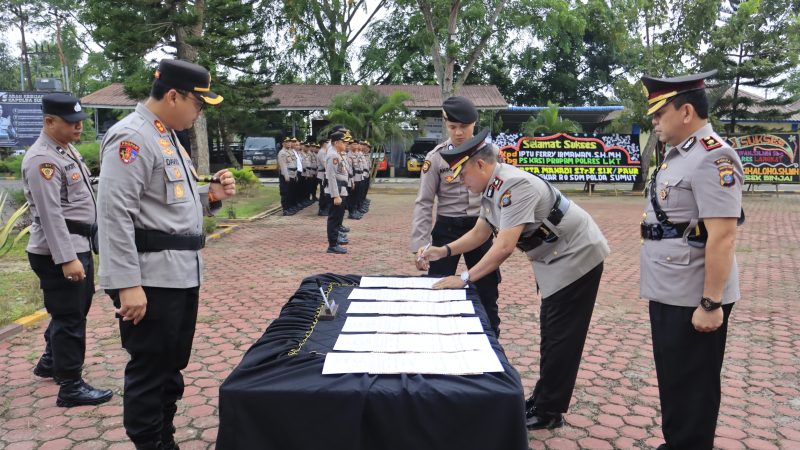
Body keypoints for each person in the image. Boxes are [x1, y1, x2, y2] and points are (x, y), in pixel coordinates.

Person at [419, 128, 610, 430]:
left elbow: (504, 246)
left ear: (480, 165)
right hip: (554, 258)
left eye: (463, 175)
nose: (461, 182)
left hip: (576, 257)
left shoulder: (513, 185)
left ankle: (549, 411)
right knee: (552, 332)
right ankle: (543, 400)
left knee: (561, 337)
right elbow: (480, 232)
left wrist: (464, 277)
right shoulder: (492, 188)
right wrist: (444, 251)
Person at [97, 58, 236, 450]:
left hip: (179, 274)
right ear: (173, 95)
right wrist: (127, 284)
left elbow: (167, 204)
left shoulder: (167, 136)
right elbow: (114, 215)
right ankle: (149, 443)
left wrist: (211, 197)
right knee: (150, 370)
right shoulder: (132, 138)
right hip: (150, 279)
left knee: (170, 369)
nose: (200, 111)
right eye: (198, 103)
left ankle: (164, 439)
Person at [640, 70, 744, 450]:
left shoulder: (714, 156)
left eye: (659, 113)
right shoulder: (679, 155)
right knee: (674, 379)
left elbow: (723, 236)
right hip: (670, 288)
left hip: (695, 295)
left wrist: (711, 303)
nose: (654, 122)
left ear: (686, 112)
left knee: (693, 385)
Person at [22, 93, 113, 407]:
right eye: (71, 122)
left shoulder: (64, 149)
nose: (78, 127)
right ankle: (71, 386)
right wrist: (67, 259)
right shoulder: (43, 160)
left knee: (72, 312)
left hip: (77, 245)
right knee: (70, 318)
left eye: (80, 121)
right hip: (60, 251)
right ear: (49, 122)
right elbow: (50, 215)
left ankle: (51, 360)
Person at [410, 96, 502, 336]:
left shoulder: (491, 154)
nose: (458, 132)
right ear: (446, 125)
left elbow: (500, 193)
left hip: (480, 229)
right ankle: (437, 337)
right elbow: (424, 202)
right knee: (439, 287)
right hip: (447, 229)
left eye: (464, 126)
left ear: (474, 124)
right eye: (452, 127)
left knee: (487, 287)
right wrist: (420, 245)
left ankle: (491, 338)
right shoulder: (436, 157)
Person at [325, 130, 351, 253]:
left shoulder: (337, 154)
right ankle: (332, 245)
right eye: (343, 142)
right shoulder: (333, 156)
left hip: (342, 189)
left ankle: (335, 242)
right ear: (336, 142)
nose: (345, 144)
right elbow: (331, 176)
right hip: (337, 191)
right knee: (334, 219)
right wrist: (336, 195)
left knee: (338, 217)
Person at [277, 137, 299, 215]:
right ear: (283, 143)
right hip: (286, 175)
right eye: (287, 142)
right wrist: (286, 176)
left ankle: (290, 207)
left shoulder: (290, 152)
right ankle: (285, 209)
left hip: (293, 174)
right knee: (285, 193)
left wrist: (296, 175)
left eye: (289, 142)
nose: (289, 143)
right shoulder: (282, 153)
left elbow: (295, 164)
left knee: (291, 192)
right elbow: (283, 166)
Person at [317, 139, 331, 216]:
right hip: (322, 174)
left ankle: (325, 208)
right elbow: (325, 164)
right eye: (327, 143)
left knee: (325, 192)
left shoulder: (325, 151)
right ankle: (321, 209)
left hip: (325, 174)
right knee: (323, 192)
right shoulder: (322, 152)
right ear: (323, 144)